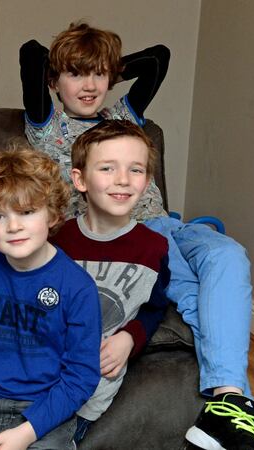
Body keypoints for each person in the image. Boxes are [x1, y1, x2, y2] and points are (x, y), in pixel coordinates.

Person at [20, 21, 254, 449]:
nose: (90, 84)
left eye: (99, 74)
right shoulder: (47, 126)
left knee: (228, 254)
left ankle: (230, 408)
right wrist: (66, 62)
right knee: (189, 292)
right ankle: (231, 404)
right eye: (76, 73)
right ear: (54, 81)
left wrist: (109, 65)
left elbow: (159, 58)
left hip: (170, 223)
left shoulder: (121, 117)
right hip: (133, 235)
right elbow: (30, 53)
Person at [0, 148, 101, 450]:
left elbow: (81, 375)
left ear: (52, 214)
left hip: (46, 409)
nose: (13, 226)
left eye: (27, 212)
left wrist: (28, 431)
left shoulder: (77, 287)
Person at [51, 120, 171, 442]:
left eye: (136, 170)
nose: (122, 180)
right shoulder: (57, 240)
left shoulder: (153, 248)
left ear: (147, 182)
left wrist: (130, 338)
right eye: (107, 168)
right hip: (38, 375)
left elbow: (155, 307)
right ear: (80, 179)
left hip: (91, 390)